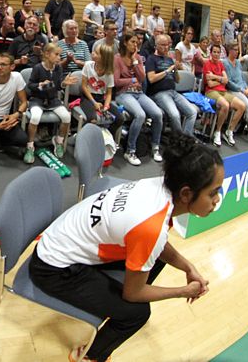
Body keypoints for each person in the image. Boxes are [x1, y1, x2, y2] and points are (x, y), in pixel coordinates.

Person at [30, 132, 219, 362]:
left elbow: (154, 246)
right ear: (186, 194)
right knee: (137, 313)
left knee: (152, 263)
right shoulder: (151, 225)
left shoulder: (158, 186)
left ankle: (113, 303)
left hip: (65, 241)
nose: (217, 200)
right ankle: (91, 356)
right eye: (213, 193)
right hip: (54, 269)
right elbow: (134, 291)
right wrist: (182, 292)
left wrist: (187, 267)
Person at [114, 32, 164, 164]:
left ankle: (155, 147)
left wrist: (136, 62)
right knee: (140, 115)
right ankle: (130, 151)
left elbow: (142, 78)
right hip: (123, 94)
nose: (135, 45)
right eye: (132, 42)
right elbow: (116, 81)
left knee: (158, 114)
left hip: (139, 93)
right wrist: (131, 80)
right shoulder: (117, 58)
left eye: (137, 43)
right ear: (125, 42)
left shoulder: (139, 58)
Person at [23, 42, 76, 164]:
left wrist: (63, 83)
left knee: (67, 117)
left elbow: (56, 86)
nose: (59, 58)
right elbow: (30, 85)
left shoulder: (58, 68)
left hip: (53, 100)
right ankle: (30, 146)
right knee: (35, 117)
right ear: (47, 54)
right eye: (56, 54)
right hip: (37, 99)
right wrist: (40, 86)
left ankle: (58, 141)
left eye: (60, 55)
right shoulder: (37, 68)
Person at [145, 34, 197, 135]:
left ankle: (186, 138)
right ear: (156, 45)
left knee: (192, 112)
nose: (166, 47)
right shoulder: (151, 59)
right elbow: (151, 79)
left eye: (167, 45)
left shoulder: (169, 59)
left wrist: (176, 70)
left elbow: (177, 80)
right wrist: (168, 71)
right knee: (175, 115)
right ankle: (178, 140)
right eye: (163, 45)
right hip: (159, 93)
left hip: (173, 92)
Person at [203, 44, 247, 146]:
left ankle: (229, 130)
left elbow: (226, 80)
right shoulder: (207, 64)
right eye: (214, 52)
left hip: (223, 92)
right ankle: (217, 132)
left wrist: (215, 77)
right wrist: (221, 80)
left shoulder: (221, 64)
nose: (216, 54)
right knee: (225, 105)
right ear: (211, 53)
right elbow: (210, 84)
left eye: (218, 52)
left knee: (242, 106)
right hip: (211, 92)